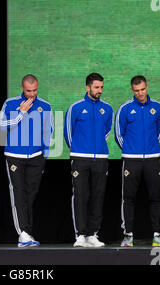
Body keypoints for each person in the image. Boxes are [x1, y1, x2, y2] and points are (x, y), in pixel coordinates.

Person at [0, 74, 53, 247]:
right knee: (18, 194)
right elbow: (1, 126)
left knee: (31, 195)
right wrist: (20, 114)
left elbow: (48, 130)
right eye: (29, 90)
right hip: (15, 156)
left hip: (36, 158)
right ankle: (22, 233)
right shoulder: (10, 103)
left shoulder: (45, 105)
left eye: (35, 90)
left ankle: (27, 232)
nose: (32, 94)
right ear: (22, 88)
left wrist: (45, 154)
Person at [114, 75, 160, 247]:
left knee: (156, 197)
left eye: (143, 89)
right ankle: (128, 235)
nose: (140, 93)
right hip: (131, 160)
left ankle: (157, 235)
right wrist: (131, 150)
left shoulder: (158, 107)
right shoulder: (125, 108)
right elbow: (118, 134)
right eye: (136, 90)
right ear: (132, 90)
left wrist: (151, 147)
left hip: (153, 159)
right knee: (128, 198)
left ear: (147, 87)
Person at [64, 73, 112, 248]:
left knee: (97, 196)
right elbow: (68, 133)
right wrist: (78, 149)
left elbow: (106, 131)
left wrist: (97, 146)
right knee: (81, 196)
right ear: (87, 87)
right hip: (80, 158)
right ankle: (80, 234)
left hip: (100, 158)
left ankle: (93, 234)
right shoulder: (75, 108)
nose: (99, 90)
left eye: (101, 87)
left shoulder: (107, 109)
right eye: (96, 87)